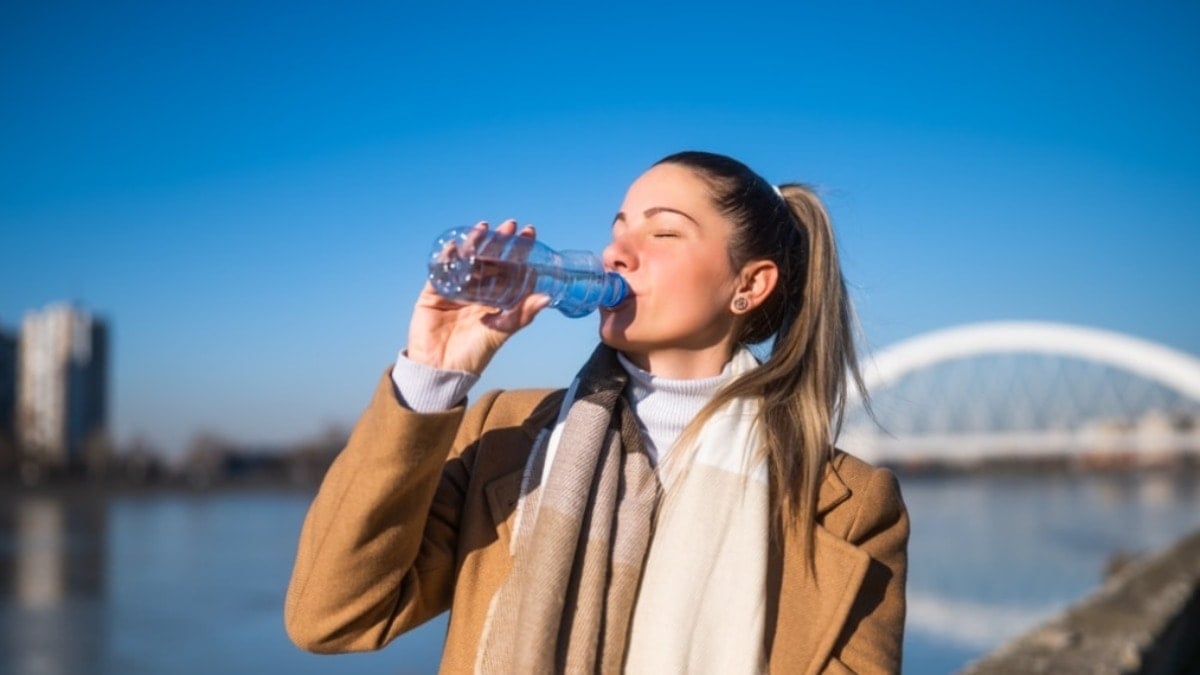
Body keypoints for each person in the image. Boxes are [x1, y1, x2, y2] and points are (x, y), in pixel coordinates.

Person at [285, 151, 909, 674]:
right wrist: (431, 373)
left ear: (749, 285)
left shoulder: (850, 506)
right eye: (618, 229)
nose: (616, 253)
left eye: (661, 232)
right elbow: (332, 617)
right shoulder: (507, 435)